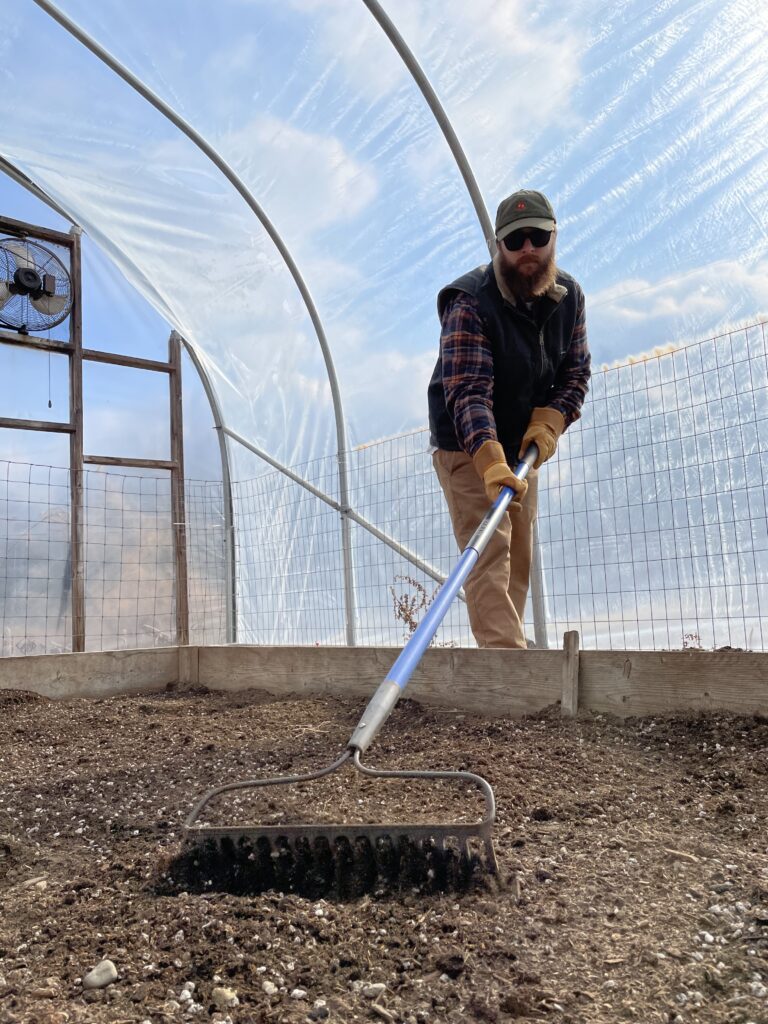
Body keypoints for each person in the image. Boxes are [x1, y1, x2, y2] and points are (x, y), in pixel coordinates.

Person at [427, 188, 591, 648]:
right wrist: (489, 460)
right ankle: (509, 673)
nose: (527, 250)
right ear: (498, 245)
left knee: (518, 555)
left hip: (522, 445)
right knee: (488, 553)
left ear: (553, 238)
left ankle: (510, 666)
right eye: (515, 240)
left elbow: (575, 372)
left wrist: (552, 420)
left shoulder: (568, 299)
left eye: (537, 237)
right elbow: (468, 390)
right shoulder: (470, 301)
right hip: (467, 444)